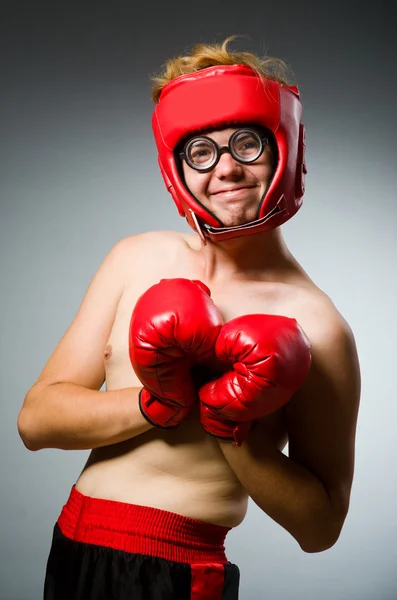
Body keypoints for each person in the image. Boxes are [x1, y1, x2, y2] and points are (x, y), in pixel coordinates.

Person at [17, 36, 361, 600]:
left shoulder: (318, 326)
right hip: (73, 545)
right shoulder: (137, 257)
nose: (225, 169)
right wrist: (158, 402)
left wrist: (229, 428)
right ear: (178, 168)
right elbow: (36, 421)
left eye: (246, 144)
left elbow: (321, 528)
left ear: (286, 149)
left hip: (179, 572)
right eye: (202, 151)